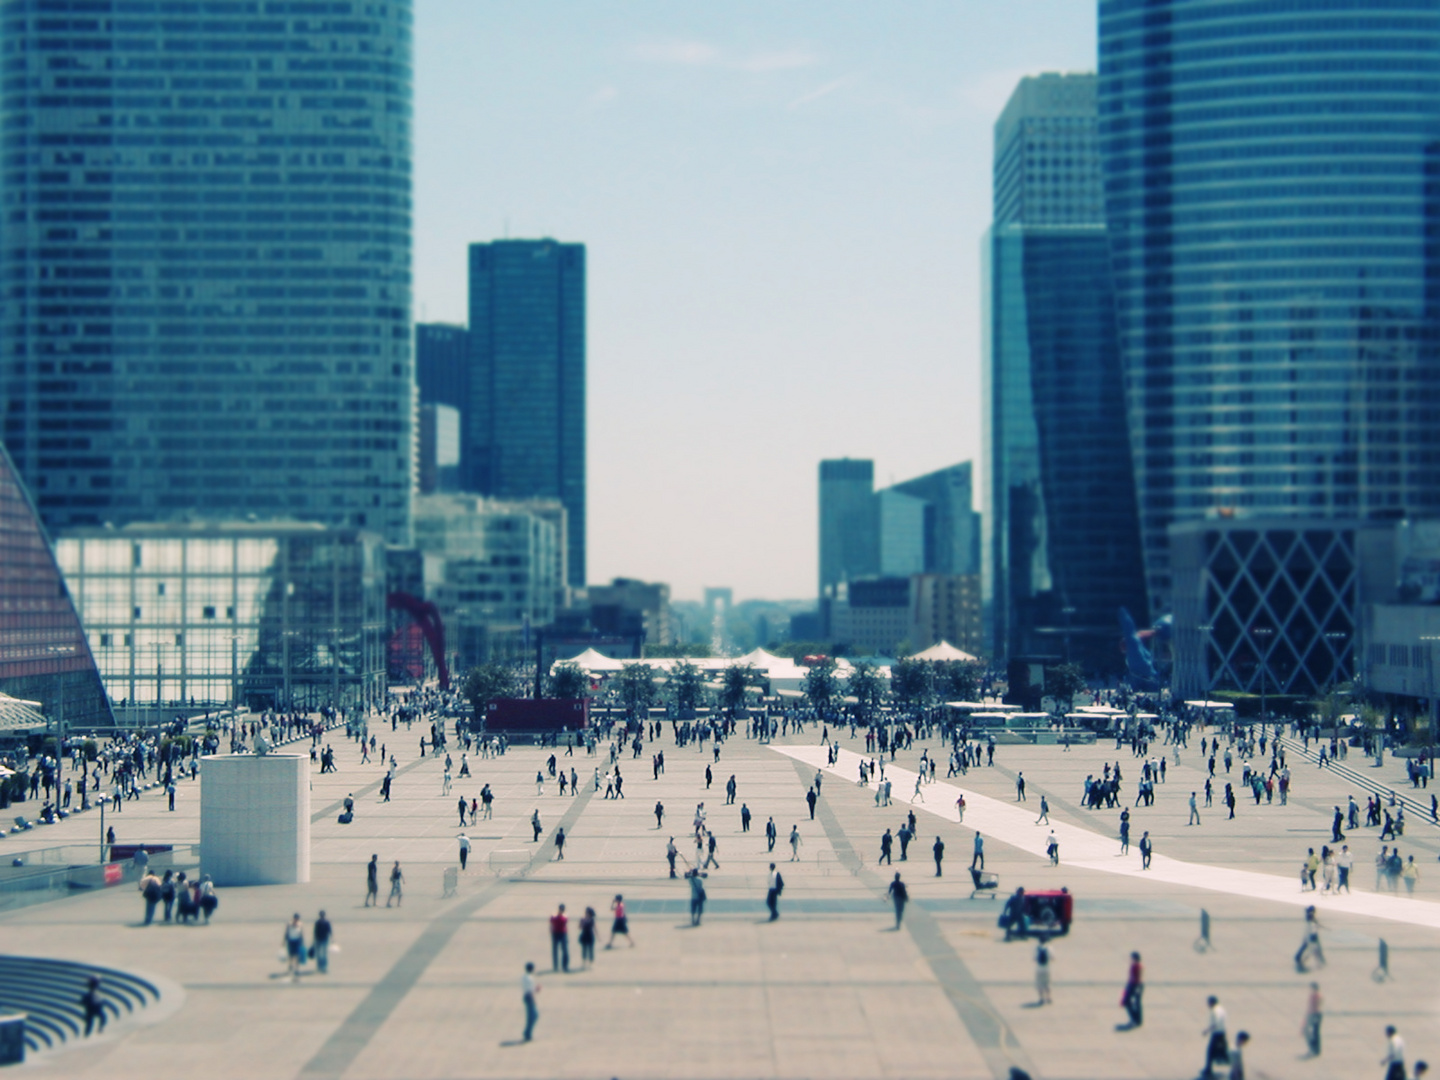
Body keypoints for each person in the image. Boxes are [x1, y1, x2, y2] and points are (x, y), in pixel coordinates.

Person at [1203, 995, 1229, 1077]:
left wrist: (1207, 1030)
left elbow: (1216, 1023)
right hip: (1223, 1032)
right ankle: (1208, 1068)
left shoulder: (1214, 1010)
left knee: (1210, 1051)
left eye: (1208, 1003)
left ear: (1212, 1002)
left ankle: (1208, 1069)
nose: (1208, 1005)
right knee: (1222, 1051)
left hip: (1216, 1034)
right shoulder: (1221, 1009)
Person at [1294, 905, 1324, 971]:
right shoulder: (1311, 917)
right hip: (1311, 934)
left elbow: (1312, 921)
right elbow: (1311, 921)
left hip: (1311, 933)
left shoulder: (1311, 917)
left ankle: (1299, 958)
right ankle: (1300, 958)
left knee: (1309, 946)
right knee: (1311, 947)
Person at [1119, 952, 1143, 1029]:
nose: (1131, 959)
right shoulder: (1133, 965)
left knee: (1135, 1003)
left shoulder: (1138, 966)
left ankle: (1135, 1020)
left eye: (1132, 958)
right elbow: (1131, 977)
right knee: (1128, 1002)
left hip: (1136, 986)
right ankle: (1136, 1020)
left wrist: (1138, 989)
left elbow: (1140, 978)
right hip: (1131, 985)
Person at [283, 913, 306, 980]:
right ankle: (290, 966)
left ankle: (297, 969)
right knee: (291, 955)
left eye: (297, 919)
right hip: (291, 941)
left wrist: (302, 942)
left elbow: (301, 933)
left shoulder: (300, 924)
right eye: (295, 918)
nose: (296, 920)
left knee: (297, 955)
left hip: (297, 941)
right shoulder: (289, 924)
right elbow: (286, 933)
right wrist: (284, 941)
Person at [521, 962, 540, 1042]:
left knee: (529, 1017)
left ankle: (527, 1033)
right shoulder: (530, 978)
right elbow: (531, 991)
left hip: (525, 996)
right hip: (529, 997)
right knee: (535, 1015)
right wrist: (534, 1000)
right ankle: (527, 1032)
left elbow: (528, 988)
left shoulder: (524, 977)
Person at [1303, 982, 1322, 1057]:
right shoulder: (1312, 995)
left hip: (1315, 1015)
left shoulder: (1317, 996)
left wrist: (1315, 1017)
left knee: (1315, 1033)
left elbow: (1317, 1006)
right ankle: (1313, 1049)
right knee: (1312, 1033)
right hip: (1311, 1014)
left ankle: (1315, 1050)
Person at [549, 904, 569, 972]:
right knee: (555, 950)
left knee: (565, 950)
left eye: (562, 909)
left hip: (563, 933)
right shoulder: (554, 915)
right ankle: (555, 966)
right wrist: (551, 931)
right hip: (555, 933)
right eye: (561, 909)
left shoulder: (565, 916)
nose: (561, 910)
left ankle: (565, 966)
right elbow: (551, 924)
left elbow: (564, 922)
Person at [1034, 940, 1052, 1005]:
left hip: (1039, 968)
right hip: (1047, 968)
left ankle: (1041, 999)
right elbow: (1052, 958)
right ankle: (1049, 998)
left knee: (1040, 984)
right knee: (1047, 983)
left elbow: (1034, 958)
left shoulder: (1036, 948)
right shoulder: (1049, 948)